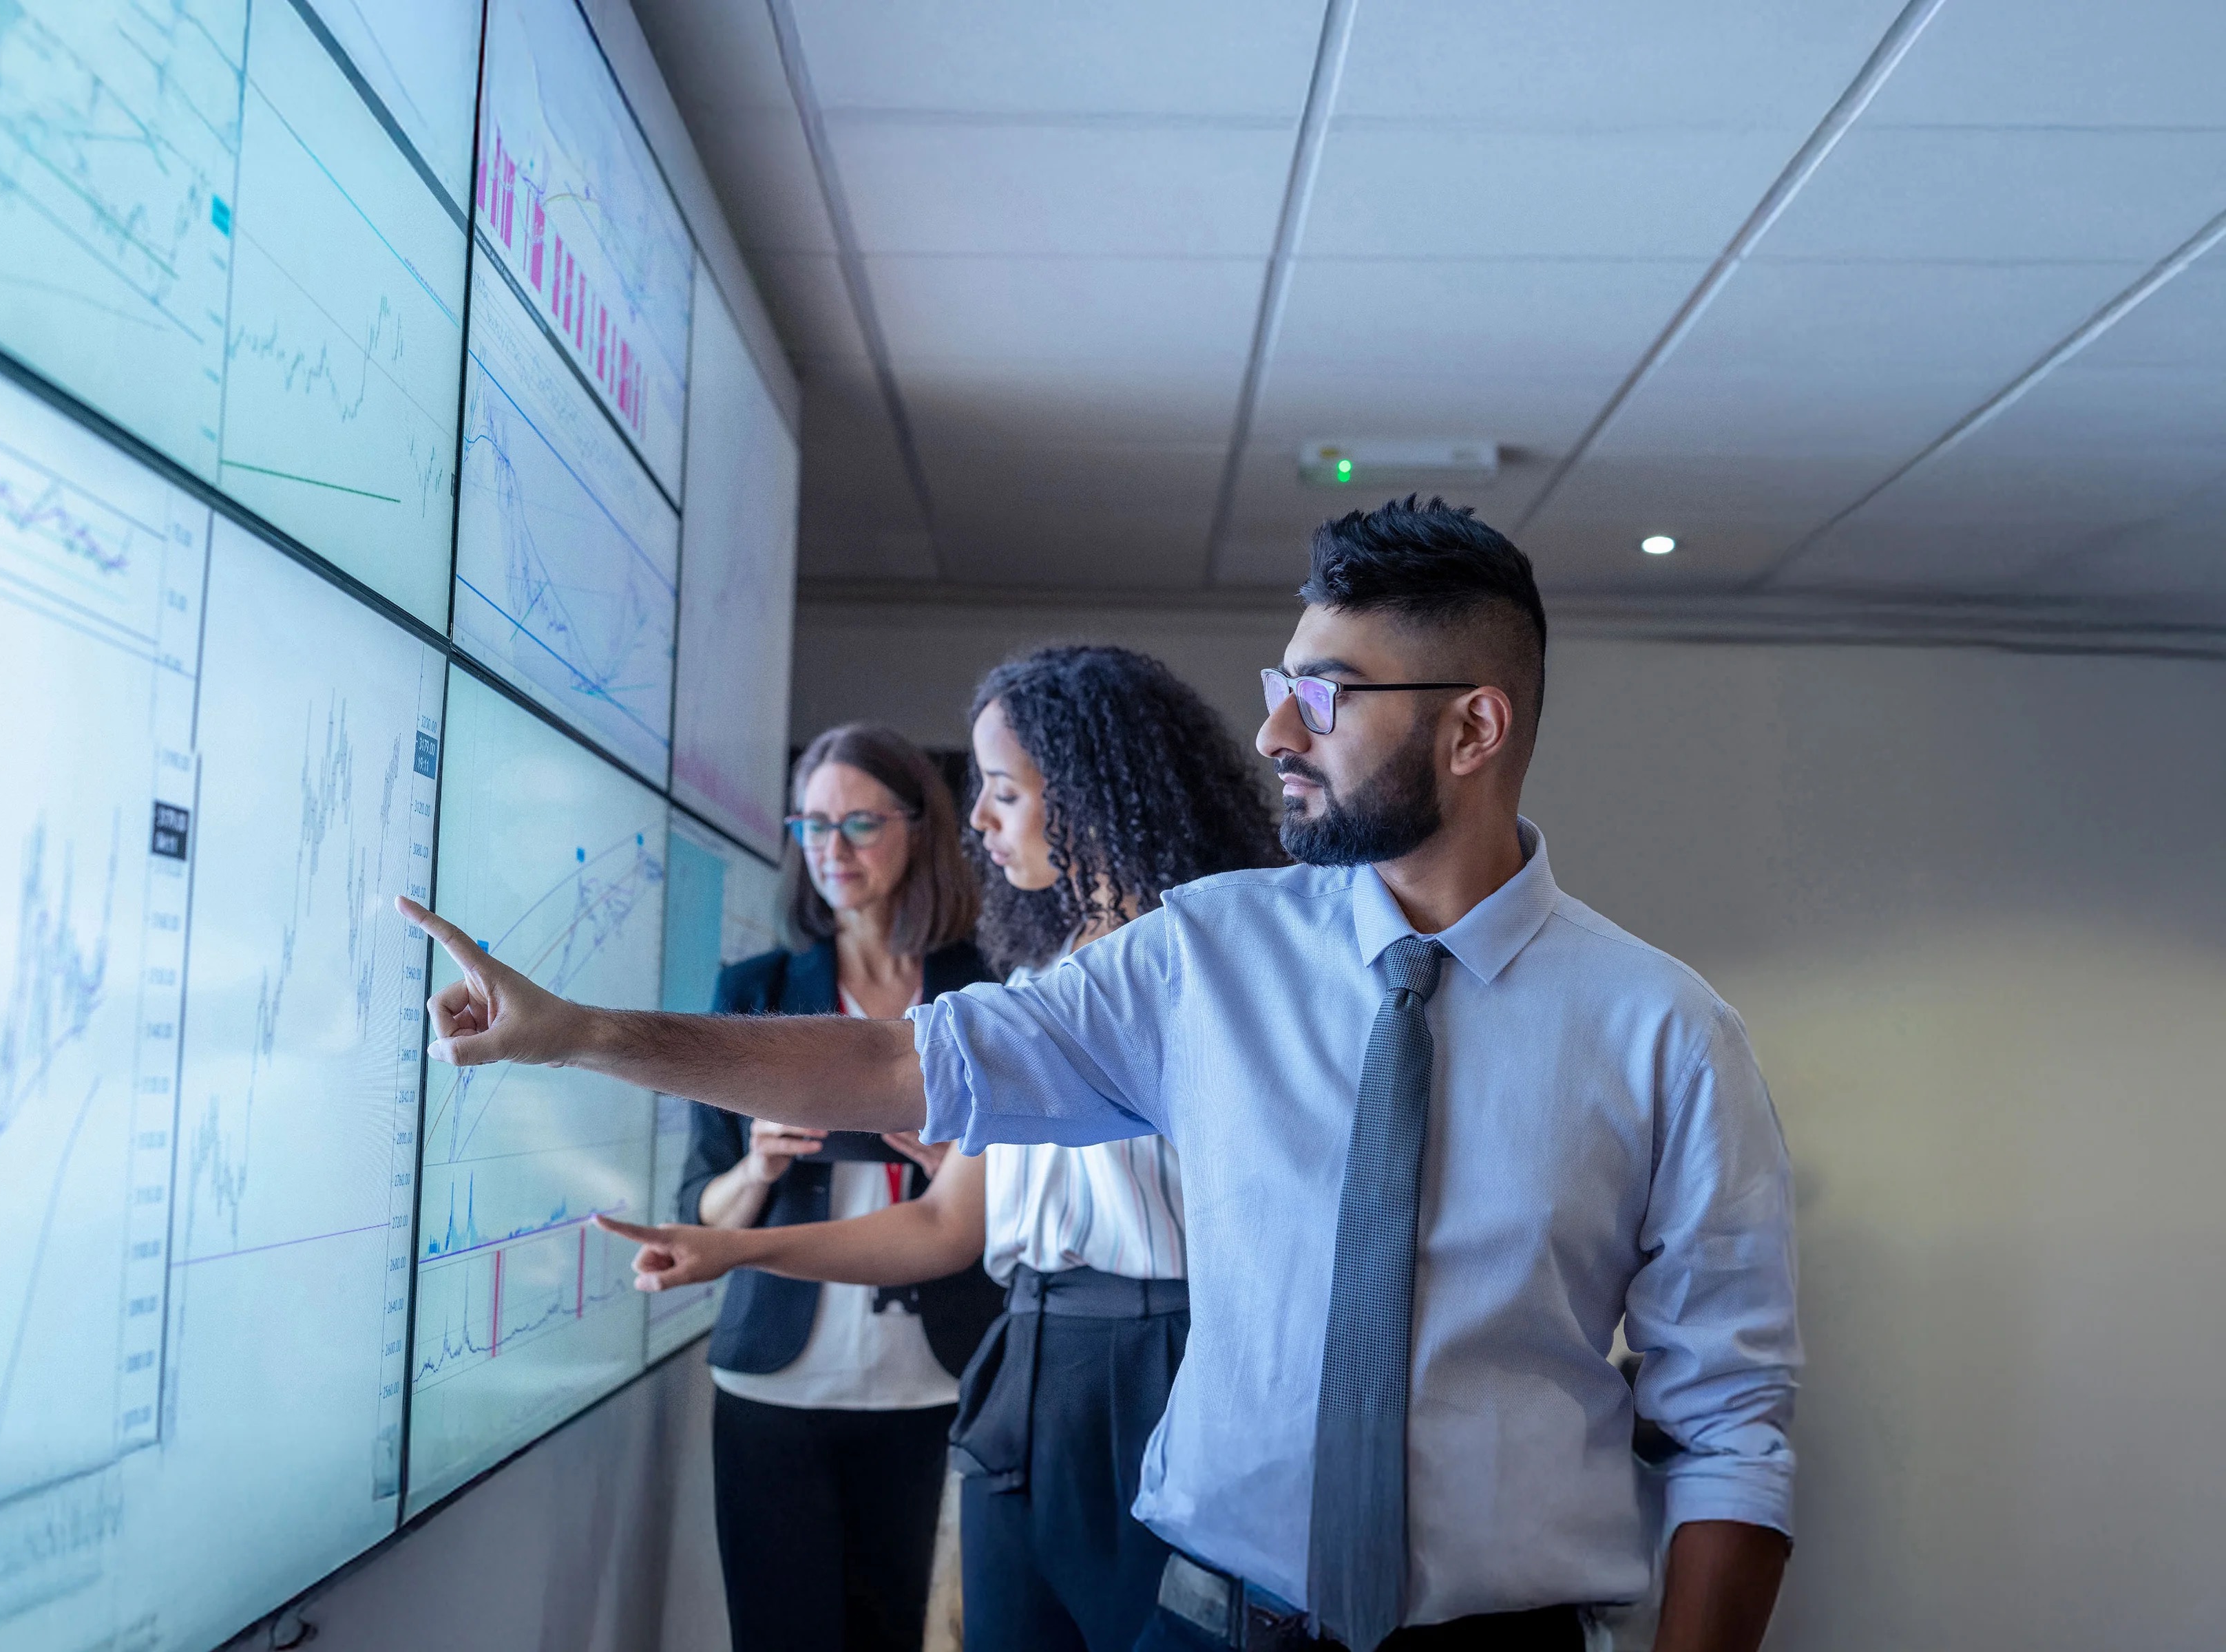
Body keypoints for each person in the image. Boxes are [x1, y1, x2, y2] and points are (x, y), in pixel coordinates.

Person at [401, 498, 1801, 1652]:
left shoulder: (1666, 1035)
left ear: (1473, 729)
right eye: (1276, 693)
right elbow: (907, 1061)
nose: (1275, 737)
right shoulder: (1209, 955)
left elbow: (1729, 1424)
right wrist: (581, 1032)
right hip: (1205, 1618)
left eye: (1321, 698)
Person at [603, 646, 1283, 1652]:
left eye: (1003, 791)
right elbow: (941, 1222)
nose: (981, 821)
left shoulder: (1213, 969)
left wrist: (587, 1035)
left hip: (1158, 1359)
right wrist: (733, 1246)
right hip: (1025, 1364)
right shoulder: (1036, 984)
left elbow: (897, 1099)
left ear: (1091, 795)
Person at [680, 722, 1005, 1652]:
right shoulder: (758, 989)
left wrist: (956, 1169)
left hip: (935, 1379)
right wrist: (760, 1163)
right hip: (775, 1382)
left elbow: (1035, 1201)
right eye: (813, 826)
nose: (832, 849)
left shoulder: (986, 989)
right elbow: (700, 1204)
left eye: (859, 823)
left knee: (901, 1632)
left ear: (918, 828)